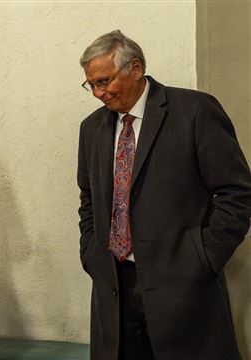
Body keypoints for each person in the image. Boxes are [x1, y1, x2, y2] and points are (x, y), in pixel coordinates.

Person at [77, 30, 251, 360]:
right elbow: (88, 199)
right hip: (114, 288)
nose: (99, 93)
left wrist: (203, 257)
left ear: (136, 68)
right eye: (91, 85)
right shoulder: (92, 128)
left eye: (104, 81)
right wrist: (92, 254)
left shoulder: (194, 111)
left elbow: (236, 193)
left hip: (184, 288)